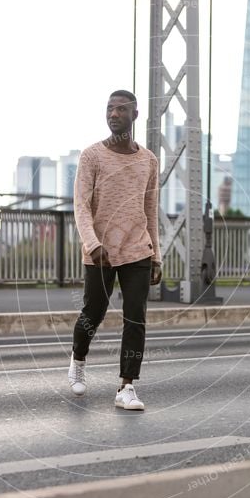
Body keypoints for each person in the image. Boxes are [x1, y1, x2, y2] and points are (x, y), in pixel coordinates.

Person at [68, 90, 162, 410]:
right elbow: (80, 206)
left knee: (135, 318)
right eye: (109, 109)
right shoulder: (91, 156)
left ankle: (127, 386)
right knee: (93, 313)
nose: (113, 114)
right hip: (100, 250)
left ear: (135, 116)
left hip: (137, 249)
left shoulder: (148, 160)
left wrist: (157, 255)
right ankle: (78, 359)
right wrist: (92, 244)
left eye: (121, 109)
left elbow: (150, 209)